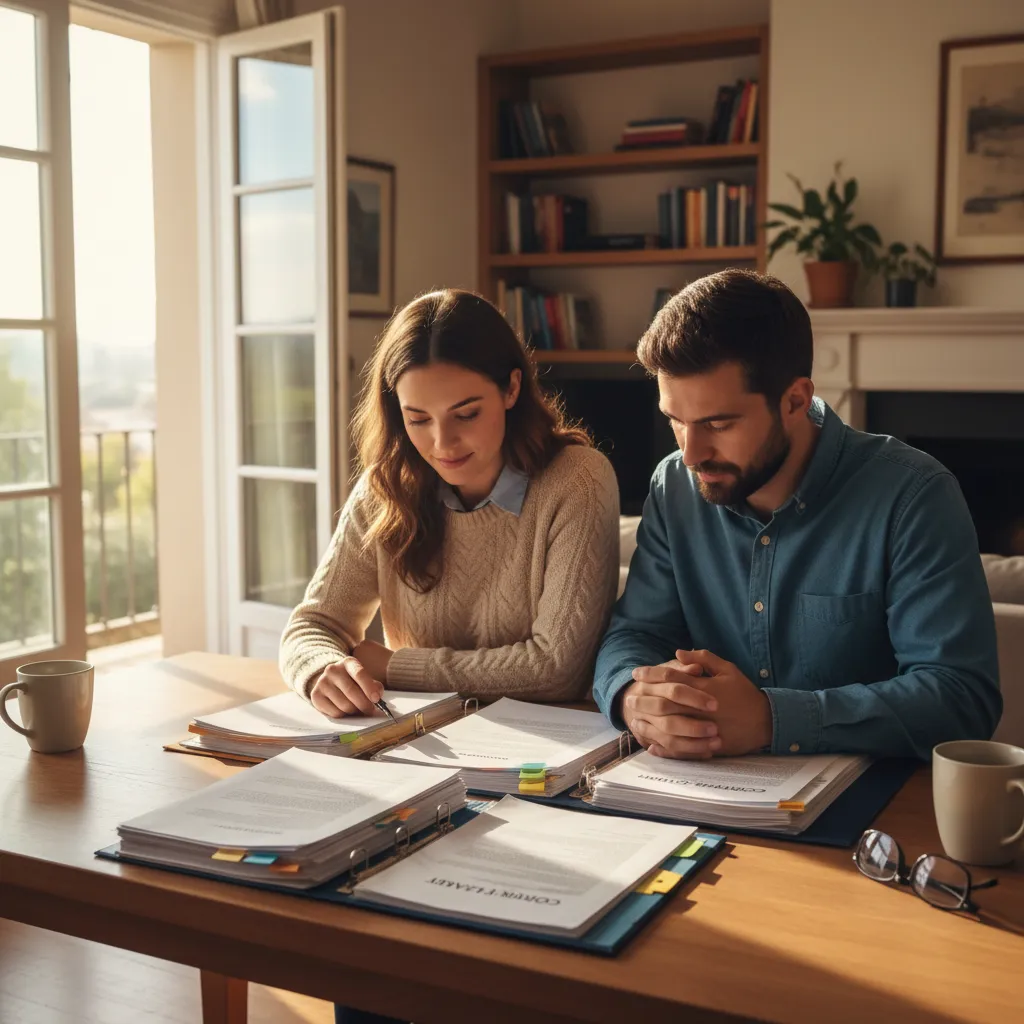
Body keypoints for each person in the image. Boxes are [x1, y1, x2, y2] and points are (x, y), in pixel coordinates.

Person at [280, 288, 619, 1023]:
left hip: (546, 775)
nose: (442, 442)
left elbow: (555, 665)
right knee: (370, 962)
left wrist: (391, 664)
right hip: (424, 769)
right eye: (417, 418)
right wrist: (321, 669)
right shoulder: (386, 488)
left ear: (511, 389)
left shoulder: (576, 480)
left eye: (465, 412)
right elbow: (312, 623)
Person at [593, 269, 1001, 762]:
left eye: (718, 423)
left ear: (795, 400)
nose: (692, 452)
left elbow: (962, 696)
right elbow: (636, 633)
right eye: (675, 420)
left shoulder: (913, 496)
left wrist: (771, 719)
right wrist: (632, 697)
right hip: (702, 787)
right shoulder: (673, 484)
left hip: (871, 802)